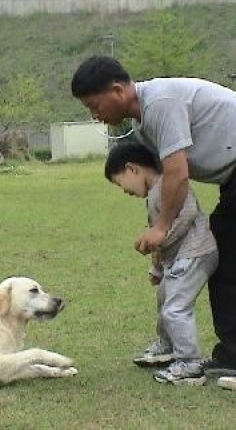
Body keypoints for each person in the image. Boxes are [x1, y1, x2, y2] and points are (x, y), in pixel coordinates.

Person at [71, 55, 236, 390]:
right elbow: (159, 183)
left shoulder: (160, 103)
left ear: (117, 90)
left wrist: (160, 229)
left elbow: (177, 172)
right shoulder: (144, 123)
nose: (94, 115)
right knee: (227, 260)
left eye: (94, 104)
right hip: (231, 178)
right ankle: (230, 355)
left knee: (228, 255)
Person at [105, 142, 218, 385]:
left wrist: (159, 235)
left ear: (132, 169)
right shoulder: (155, 194)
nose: (123, 191)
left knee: (176, 307)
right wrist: (156, 267)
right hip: (179, 258)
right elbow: (158, 238)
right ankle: (168, 346)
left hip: (197, 252)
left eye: (119, 182)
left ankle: (190, 363)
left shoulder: (169, 184)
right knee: (165, 299)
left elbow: (186, 216)